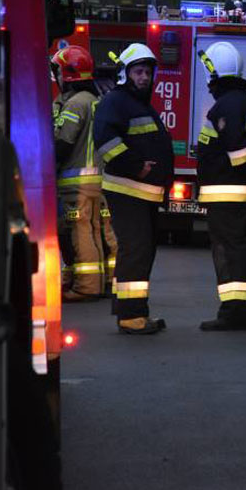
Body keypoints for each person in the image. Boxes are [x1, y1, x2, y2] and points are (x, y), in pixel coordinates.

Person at [93, 43, 174, 334]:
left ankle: (132, 310)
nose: (144, 78)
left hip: (142, 193)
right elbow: (105, 141)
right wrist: (136, 166)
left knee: (141, 250)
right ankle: (131, 317)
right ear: (126, 74)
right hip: (127, 190)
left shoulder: (139, 105)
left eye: (148, 72)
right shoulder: (115, 102)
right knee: (136, 250)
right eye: (138, 72)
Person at [195, 42, 246, 331]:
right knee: (243, 249)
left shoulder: (225, 106)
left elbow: (237, 150)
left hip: (224, 192)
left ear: (214, 71)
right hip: (241, 193)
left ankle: (232, 312)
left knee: (228, 252)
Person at [51, 45, 118, 302]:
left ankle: (87, 286)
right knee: (101, 231)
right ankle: (110, 281)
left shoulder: (76, 103)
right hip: (99, 181)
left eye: (57, 70)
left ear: (68, 74)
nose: (55, 76)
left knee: (80, 233)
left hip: (76, 183)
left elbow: (63, 141)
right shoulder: (95, 100)